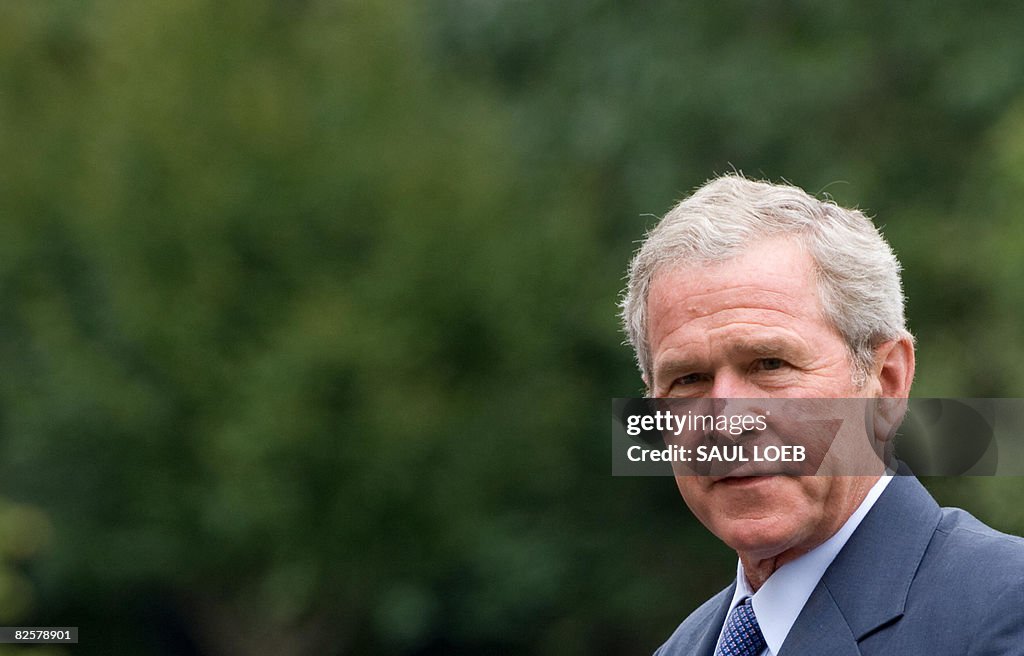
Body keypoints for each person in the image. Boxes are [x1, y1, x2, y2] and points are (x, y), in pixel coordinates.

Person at [620, 175, 1024, 655]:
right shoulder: (684, 649)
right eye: (687, 379)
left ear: (887, 382)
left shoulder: (1001, 611)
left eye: (770, 364)